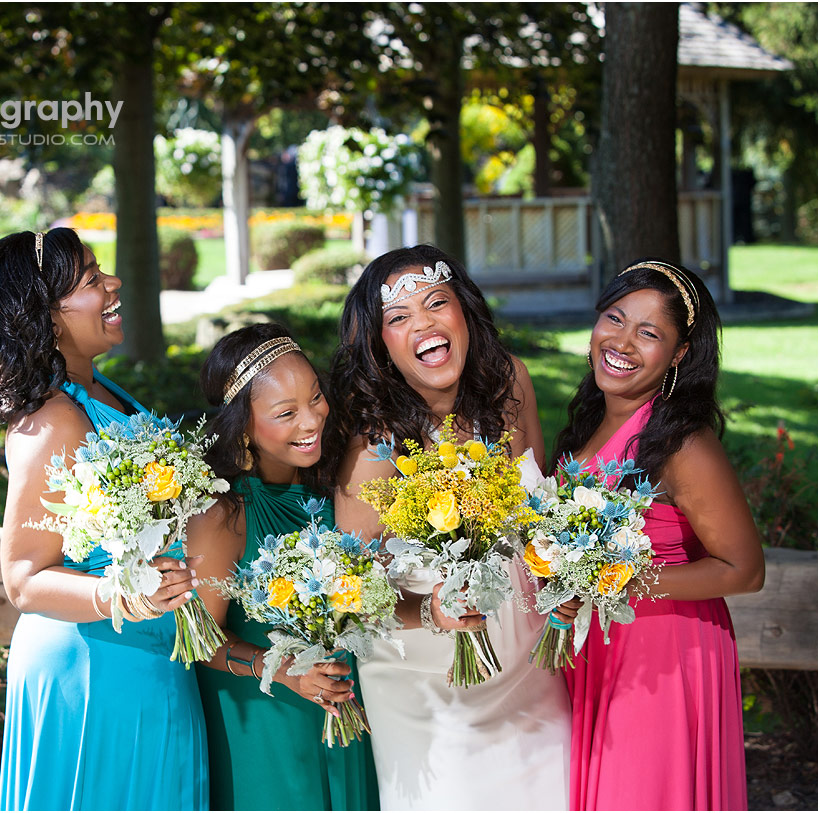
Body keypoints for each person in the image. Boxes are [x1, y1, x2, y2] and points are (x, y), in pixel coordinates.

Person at [0, 228, 208, 811]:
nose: (113, 283)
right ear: (44, 317)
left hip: (152, 655)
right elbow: (22, 578)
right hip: (93, 669)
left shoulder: (104, 390)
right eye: (92, 281)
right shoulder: (53, 420)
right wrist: (125, 596)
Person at [331, 244, 571, 810]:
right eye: (399, 318)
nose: (424, 324)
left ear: (464, 312)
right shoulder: (375, 443)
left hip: (529, 662)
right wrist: (431, 613)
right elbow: (349, 594)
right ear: (381, 345)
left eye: (436, 303)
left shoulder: (510, 383)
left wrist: (573, 571)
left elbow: (541, 511)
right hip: (429, 688)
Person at [553, 259, 764, 810]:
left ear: (679, 354)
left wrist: (622, 580)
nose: (621, 341)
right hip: (597, 645)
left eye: (648, 333)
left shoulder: (684, 444)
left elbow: (744, 569)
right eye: (615, 318)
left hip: (663, 653)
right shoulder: (588, 421)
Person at [185, 324, 379, 811]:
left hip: (339, 701)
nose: (312, 420)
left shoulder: (327, 487)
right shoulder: (222, 513)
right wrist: (283, 670)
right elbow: (197, 639)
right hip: (264, 717)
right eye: (286, 413)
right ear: (243, 427)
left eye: (315, 398)